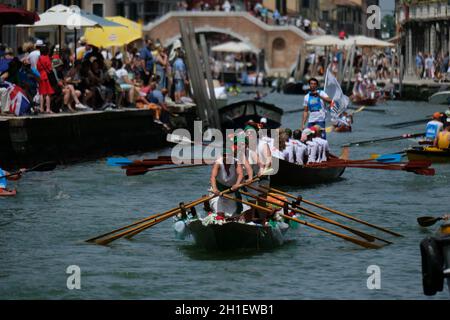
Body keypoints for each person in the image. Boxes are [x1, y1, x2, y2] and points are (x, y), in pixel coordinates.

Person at [209, 148, 245, 217]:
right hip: (218, 192)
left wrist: (237, 184)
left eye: (229, 155)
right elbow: (213, 177)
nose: (227, 157)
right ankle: (219, 218)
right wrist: (215, 189)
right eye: (225, 155)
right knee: (220, 212)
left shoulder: (236, 162)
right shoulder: (218, 163)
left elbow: (240, 174)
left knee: (234, 215)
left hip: (231, 192)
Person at [37, 46, 55, 114]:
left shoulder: (39, 58)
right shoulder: (47, 58)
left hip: (40, 76)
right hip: (46, 77)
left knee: (42, 93)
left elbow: (37, 67)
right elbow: (50, 68)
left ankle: (41, 108)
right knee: (48, 93)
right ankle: (48, 109)